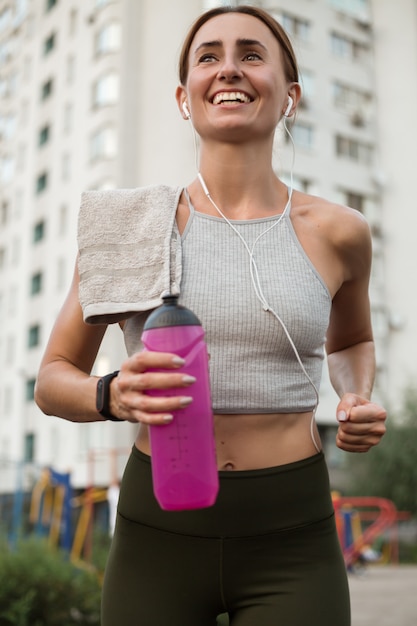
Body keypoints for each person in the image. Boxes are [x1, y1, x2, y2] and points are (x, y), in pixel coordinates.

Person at [35, 5, 387, 625]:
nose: (229, 68)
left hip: (292, 533)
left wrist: (355, 394)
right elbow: (53, 378)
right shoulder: (129, 226)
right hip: (158, 532)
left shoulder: (340, 232)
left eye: (252, 54)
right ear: (183, 97)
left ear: (290, 96)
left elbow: (351, 340)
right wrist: (113, 394)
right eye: (209, 56)